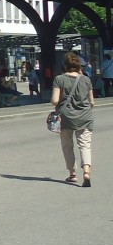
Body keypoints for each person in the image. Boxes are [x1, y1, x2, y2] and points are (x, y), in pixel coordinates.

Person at [52, 50, 95, 186]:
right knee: (85, 145)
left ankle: (72, 174)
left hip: (66, 117)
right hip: (84, 117)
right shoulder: (86, 79)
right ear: (78, 66)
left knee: (67, 146)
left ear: (65, 65)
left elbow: (54, 100)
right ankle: (87, 172)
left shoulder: (59, 79)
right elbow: (92, 102)